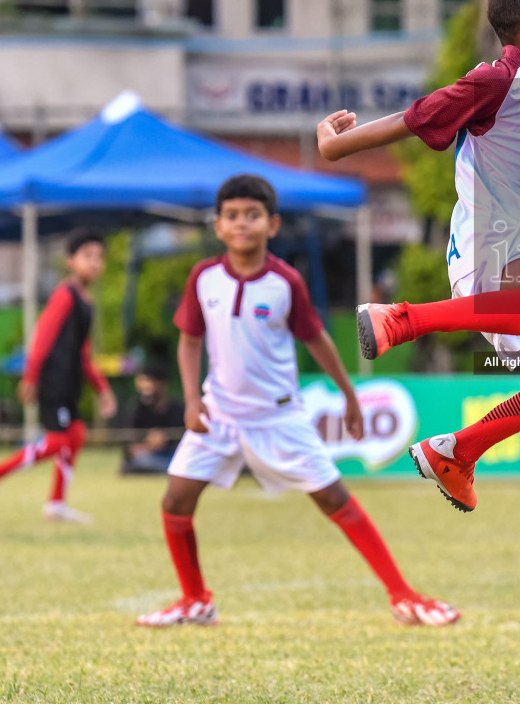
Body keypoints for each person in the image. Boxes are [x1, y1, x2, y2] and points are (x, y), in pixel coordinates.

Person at [316, 0, 520, 515]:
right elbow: (414, 118)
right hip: (493, 253)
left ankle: (457, 453)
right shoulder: (495, 81)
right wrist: (334, 145)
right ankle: (403, 319)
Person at [136, 174, 458, 628]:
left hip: (277, 417)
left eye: (253, 215)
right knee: (175, 500)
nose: (241, 223)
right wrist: (191, 399)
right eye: (232, 215)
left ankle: (403, 596)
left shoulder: (285, 282)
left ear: (272, 224)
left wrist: (349, 396)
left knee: (333, 497)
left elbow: (318, 340)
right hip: (220, 415)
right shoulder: (203, 278)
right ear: (217, 225)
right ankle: (195, 600)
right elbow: (189, 341)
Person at [0, 229, 117, 523]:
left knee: (76, 435)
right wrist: (31, 376)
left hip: (70, 381)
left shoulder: (86, 301)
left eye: (100, 257)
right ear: (70, 261)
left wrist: (103, 388)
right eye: (88, 256)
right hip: (54, 380)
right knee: (59, 441)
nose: (95, 263)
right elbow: (43, 336)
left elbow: (84, 353)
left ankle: (56, 504)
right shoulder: (65, 295)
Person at [119, 359, 185, 475]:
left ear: (162, 384)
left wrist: (165, 439)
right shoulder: (137, 410)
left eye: (150, 381)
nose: (145, 387)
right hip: (150, 456)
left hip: (172, 455)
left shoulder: (177, 409)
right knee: (141, 460)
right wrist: (149, 445)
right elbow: (130, 449)